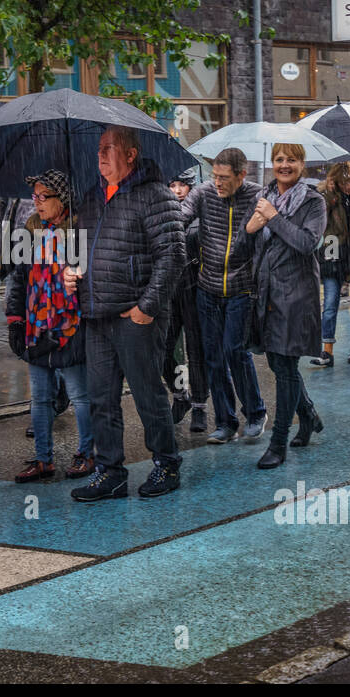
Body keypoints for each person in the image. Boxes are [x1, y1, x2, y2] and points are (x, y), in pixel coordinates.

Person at [64, 126, 184, 501]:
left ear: (131, 154)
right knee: (101, 397)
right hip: (98, 315)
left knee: (149, 394)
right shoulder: (91, 199)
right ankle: (110, 472)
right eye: (98, 149)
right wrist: (71, 273)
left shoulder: (155, 195)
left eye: (108, 148)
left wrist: (146, 309)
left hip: (135, 317)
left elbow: (174, 256)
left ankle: (166, 463)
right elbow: (78, 249)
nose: (100, 156)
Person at [4, 168, 96, 482]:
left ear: (63, 198)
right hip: (36, 325)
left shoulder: (82, 227)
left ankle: (87, 453)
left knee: (80, 395)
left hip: (70, 326)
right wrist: (14, 319)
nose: (37, 202)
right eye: (35, 196)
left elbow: (90, 279)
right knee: (40, 397)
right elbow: (20, 277)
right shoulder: (31, 228)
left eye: (44, 197)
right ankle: (43, 460)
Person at [240, 143, 326, 470]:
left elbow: (307, 243)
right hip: (265, 294)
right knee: (277, 363)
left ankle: (278, 443)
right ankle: (307, 414)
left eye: (291, 159)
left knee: (286, 367)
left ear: (302, 164)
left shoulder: (313, 202)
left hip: (295, 294)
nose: (284, 165)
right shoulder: (263, 196)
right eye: (279, 159)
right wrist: (250, 228)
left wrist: (273, 217)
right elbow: (245, 241)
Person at [180, 147, 267, 444]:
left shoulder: (257, 195)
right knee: (213, 357)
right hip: (208, 287)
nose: (217, 182)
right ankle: (226, 422)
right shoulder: (203, 193)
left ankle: (255, 413)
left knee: (235, 351)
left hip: (241, 289)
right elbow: (181, 217)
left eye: (224, 177)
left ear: (241, 175)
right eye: (215, 175)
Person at [312, 161, 350, 367]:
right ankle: (327, 351)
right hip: (334, 257)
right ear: (336, 181)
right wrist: (329, 197)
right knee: (329, 305)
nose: (347, 186)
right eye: (342, 181)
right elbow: (319, 224)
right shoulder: (326, 198)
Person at [164, 167, 209, 433]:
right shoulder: (163, 212)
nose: (178, 190)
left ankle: (201, 406)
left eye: (183, 185)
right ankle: (181, 396)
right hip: (169, 287)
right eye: (173, 185)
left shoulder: (199, 214)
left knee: (196, 349)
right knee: (163, 349)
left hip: (194, 285)